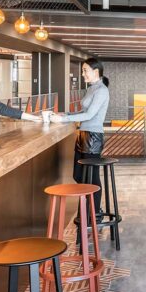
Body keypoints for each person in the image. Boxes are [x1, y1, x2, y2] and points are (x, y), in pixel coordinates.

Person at [49, 58, 111, 209]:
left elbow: (89, 115)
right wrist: (65, 114)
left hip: (93, 137)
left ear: (95, 72)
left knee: (91, 178)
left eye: (85, 71)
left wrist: (64, 120)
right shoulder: (91, 88)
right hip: (83, 135)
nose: (82, 74)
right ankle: (90, 208)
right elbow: (84, 111)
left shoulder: (102, 90)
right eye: (83, 71)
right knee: (78, 175)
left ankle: (95, 212)